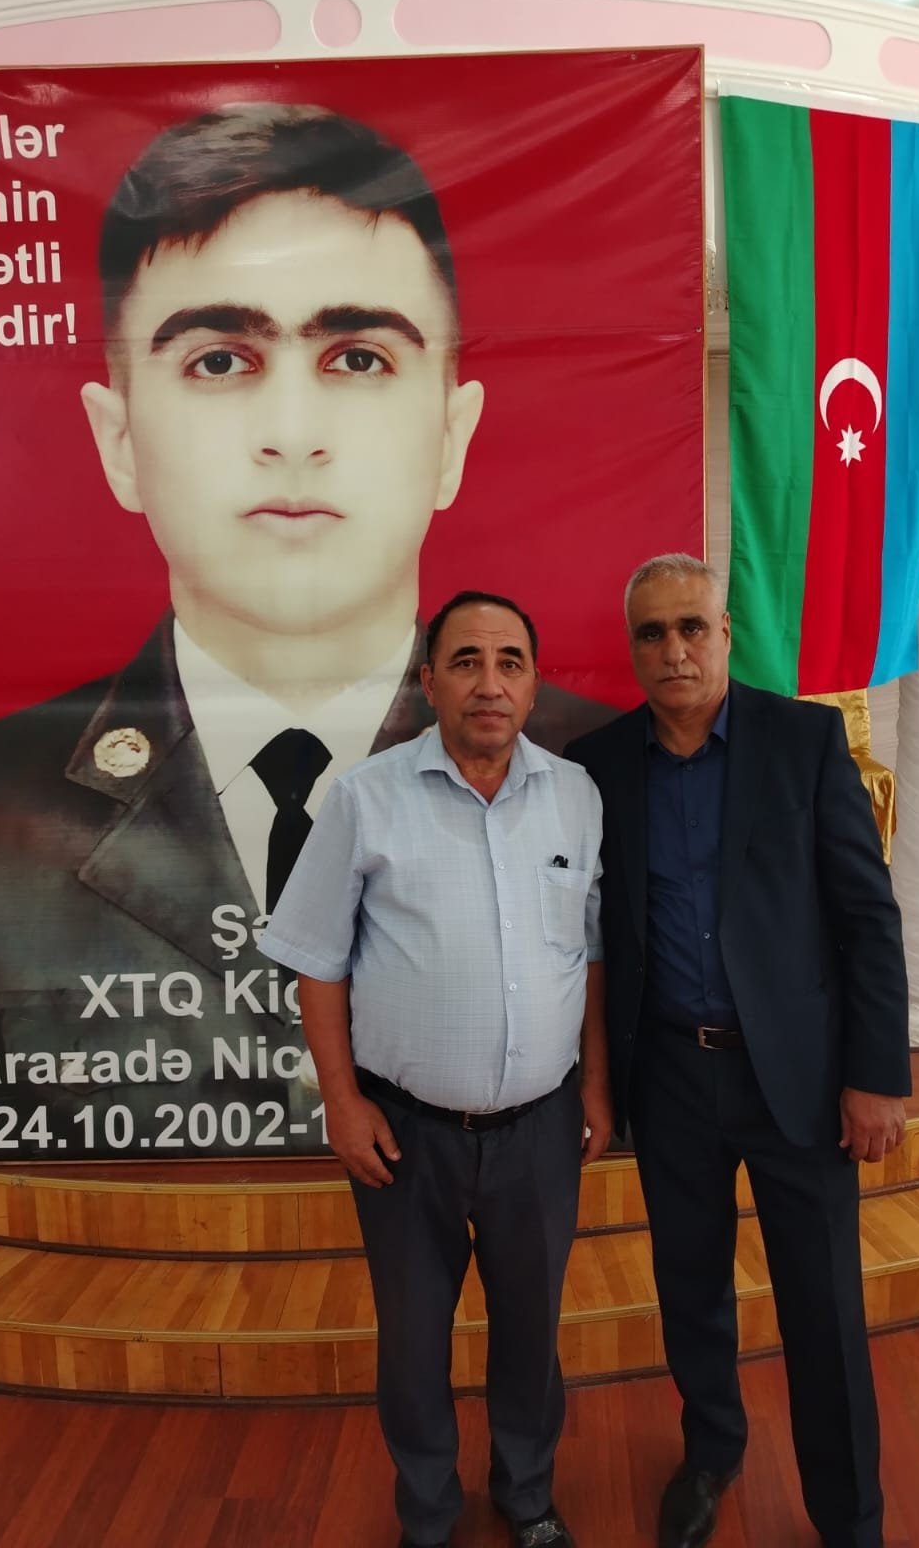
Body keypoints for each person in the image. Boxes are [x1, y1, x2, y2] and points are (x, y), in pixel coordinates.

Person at [0, 104, 613, 1163]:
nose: (291, 435)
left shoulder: (590, 770)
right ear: (119, 440)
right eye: (219, 362)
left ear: (451, 436)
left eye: (359, 358)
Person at [565, 554, 911, 1548]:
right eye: (652, 633)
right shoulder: (597, 765)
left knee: (823, 1304)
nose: (673, 649)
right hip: (670, 1072)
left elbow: (867, 916)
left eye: (691, 627)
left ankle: (849, 1515)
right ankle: (712, 1449)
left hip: (797, 1074)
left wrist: (875, 1074)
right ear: (634, 647)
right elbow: (594, 932)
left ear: (724, 633)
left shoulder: (804, 741)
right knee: (691, 1286)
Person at [260, 590, 611, 1548]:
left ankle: (527, 1497)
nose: (489, 683)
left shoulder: (576, 798)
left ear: (533, 685)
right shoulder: (365, 798)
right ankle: (427, 1515)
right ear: (429, 682)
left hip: (540, 1130)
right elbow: (318, 960)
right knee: (415, 1343)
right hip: (405, 1134)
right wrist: (340, 1102)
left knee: (531, 1334)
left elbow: (591, 955)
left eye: (509, 662)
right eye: (466, 661)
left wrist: (594, 1086)